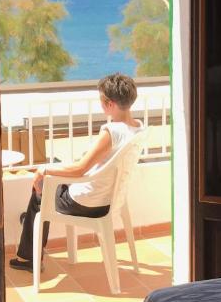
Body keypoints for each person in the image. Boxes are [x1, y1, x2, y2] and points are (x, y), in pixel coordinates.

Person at [10, 73, 144, 271]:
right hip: (111, 199)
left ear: (109, 103)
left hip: (88, 203)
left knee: (41, 190)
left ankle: (28, 255)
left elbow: (80, 169)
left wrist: (43, 169)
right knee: (49, 187)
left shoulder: (111, 131)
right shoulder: (138, 127)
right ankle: (31, 224)